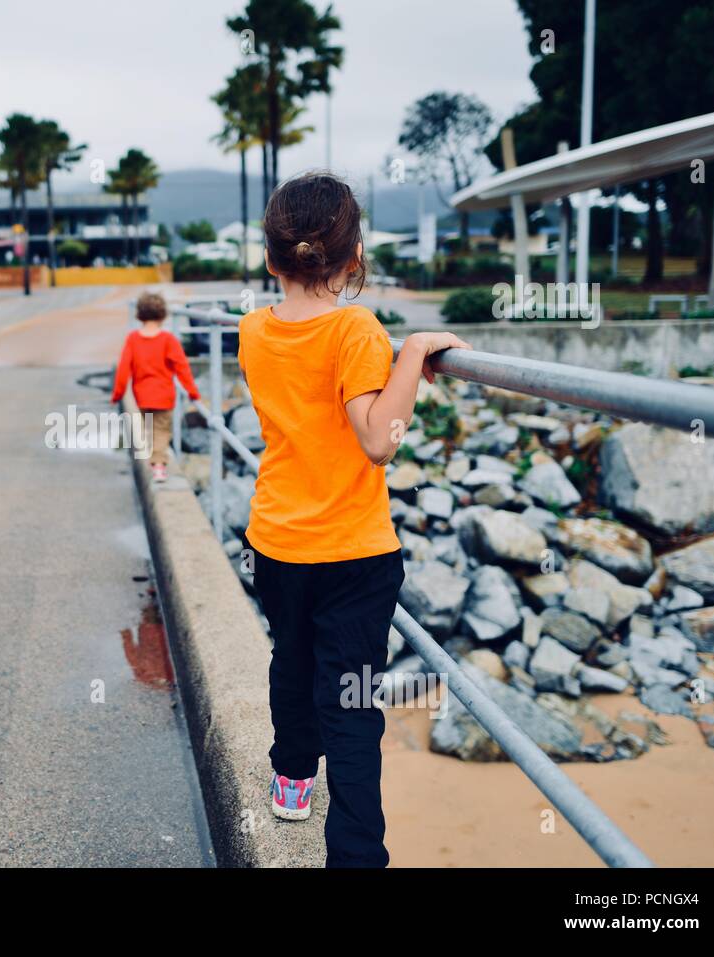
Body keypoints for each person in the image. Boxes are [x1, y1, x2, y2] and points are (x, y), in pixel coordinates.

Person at [239, 170, 470, 867]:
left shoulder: (255, 328)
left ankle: (290, 780)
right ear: (354, 254)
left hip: (276, 539)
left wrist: (395, 367)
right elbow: (377, 441)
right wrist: (413, 354)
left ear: (273, 256)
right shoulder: (358, 328)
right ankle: (357, 855)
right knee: (352, 701)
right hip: (352, 554)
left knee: (292, 658)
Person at [110, 292, 200, 481]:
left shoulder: (133, 339)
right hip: (164, 396)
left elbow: (123, 370)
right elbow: (182, 367)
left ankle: (154, 459)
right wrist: (192, 391)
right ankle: (159, 466)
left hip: (142, 397)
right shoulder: (168, 340)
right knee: (161, 430)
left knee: (149, 428)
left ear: (139, 315)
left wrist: (117, 395)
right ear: (163, 315)